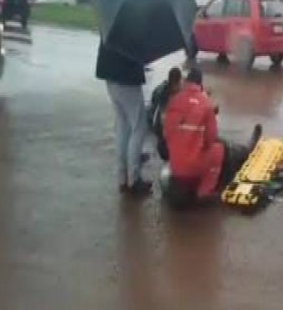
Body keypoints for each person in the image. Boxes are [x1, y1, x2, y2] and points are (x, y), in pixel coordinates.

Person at [96, 41, 152, 196]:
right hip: (127, 77)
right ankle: (134, 179)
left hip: (109, 74)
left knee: (123, 125)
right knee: (138, 127)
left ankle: (122, 177)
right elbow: (137, 50)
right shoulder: (131, 22)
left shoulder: (110, 20)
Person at [163, 68, 224, 200]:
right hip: (194, 166)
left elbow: (166, 134)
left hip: (175, 165)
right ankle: (205, 191)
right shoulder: (206, 103)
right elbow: (211, 138)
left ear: (185, 82)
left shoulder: (173, 100)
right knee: (218, 149)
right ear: (200, 84)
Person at [150, 67, 182, 161]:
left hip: (158, 119)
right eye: (180, 82)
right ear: (176, 82)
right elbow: (163, 116)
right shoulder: (164, 93)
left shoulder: (167, 89)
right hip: (159, 126)